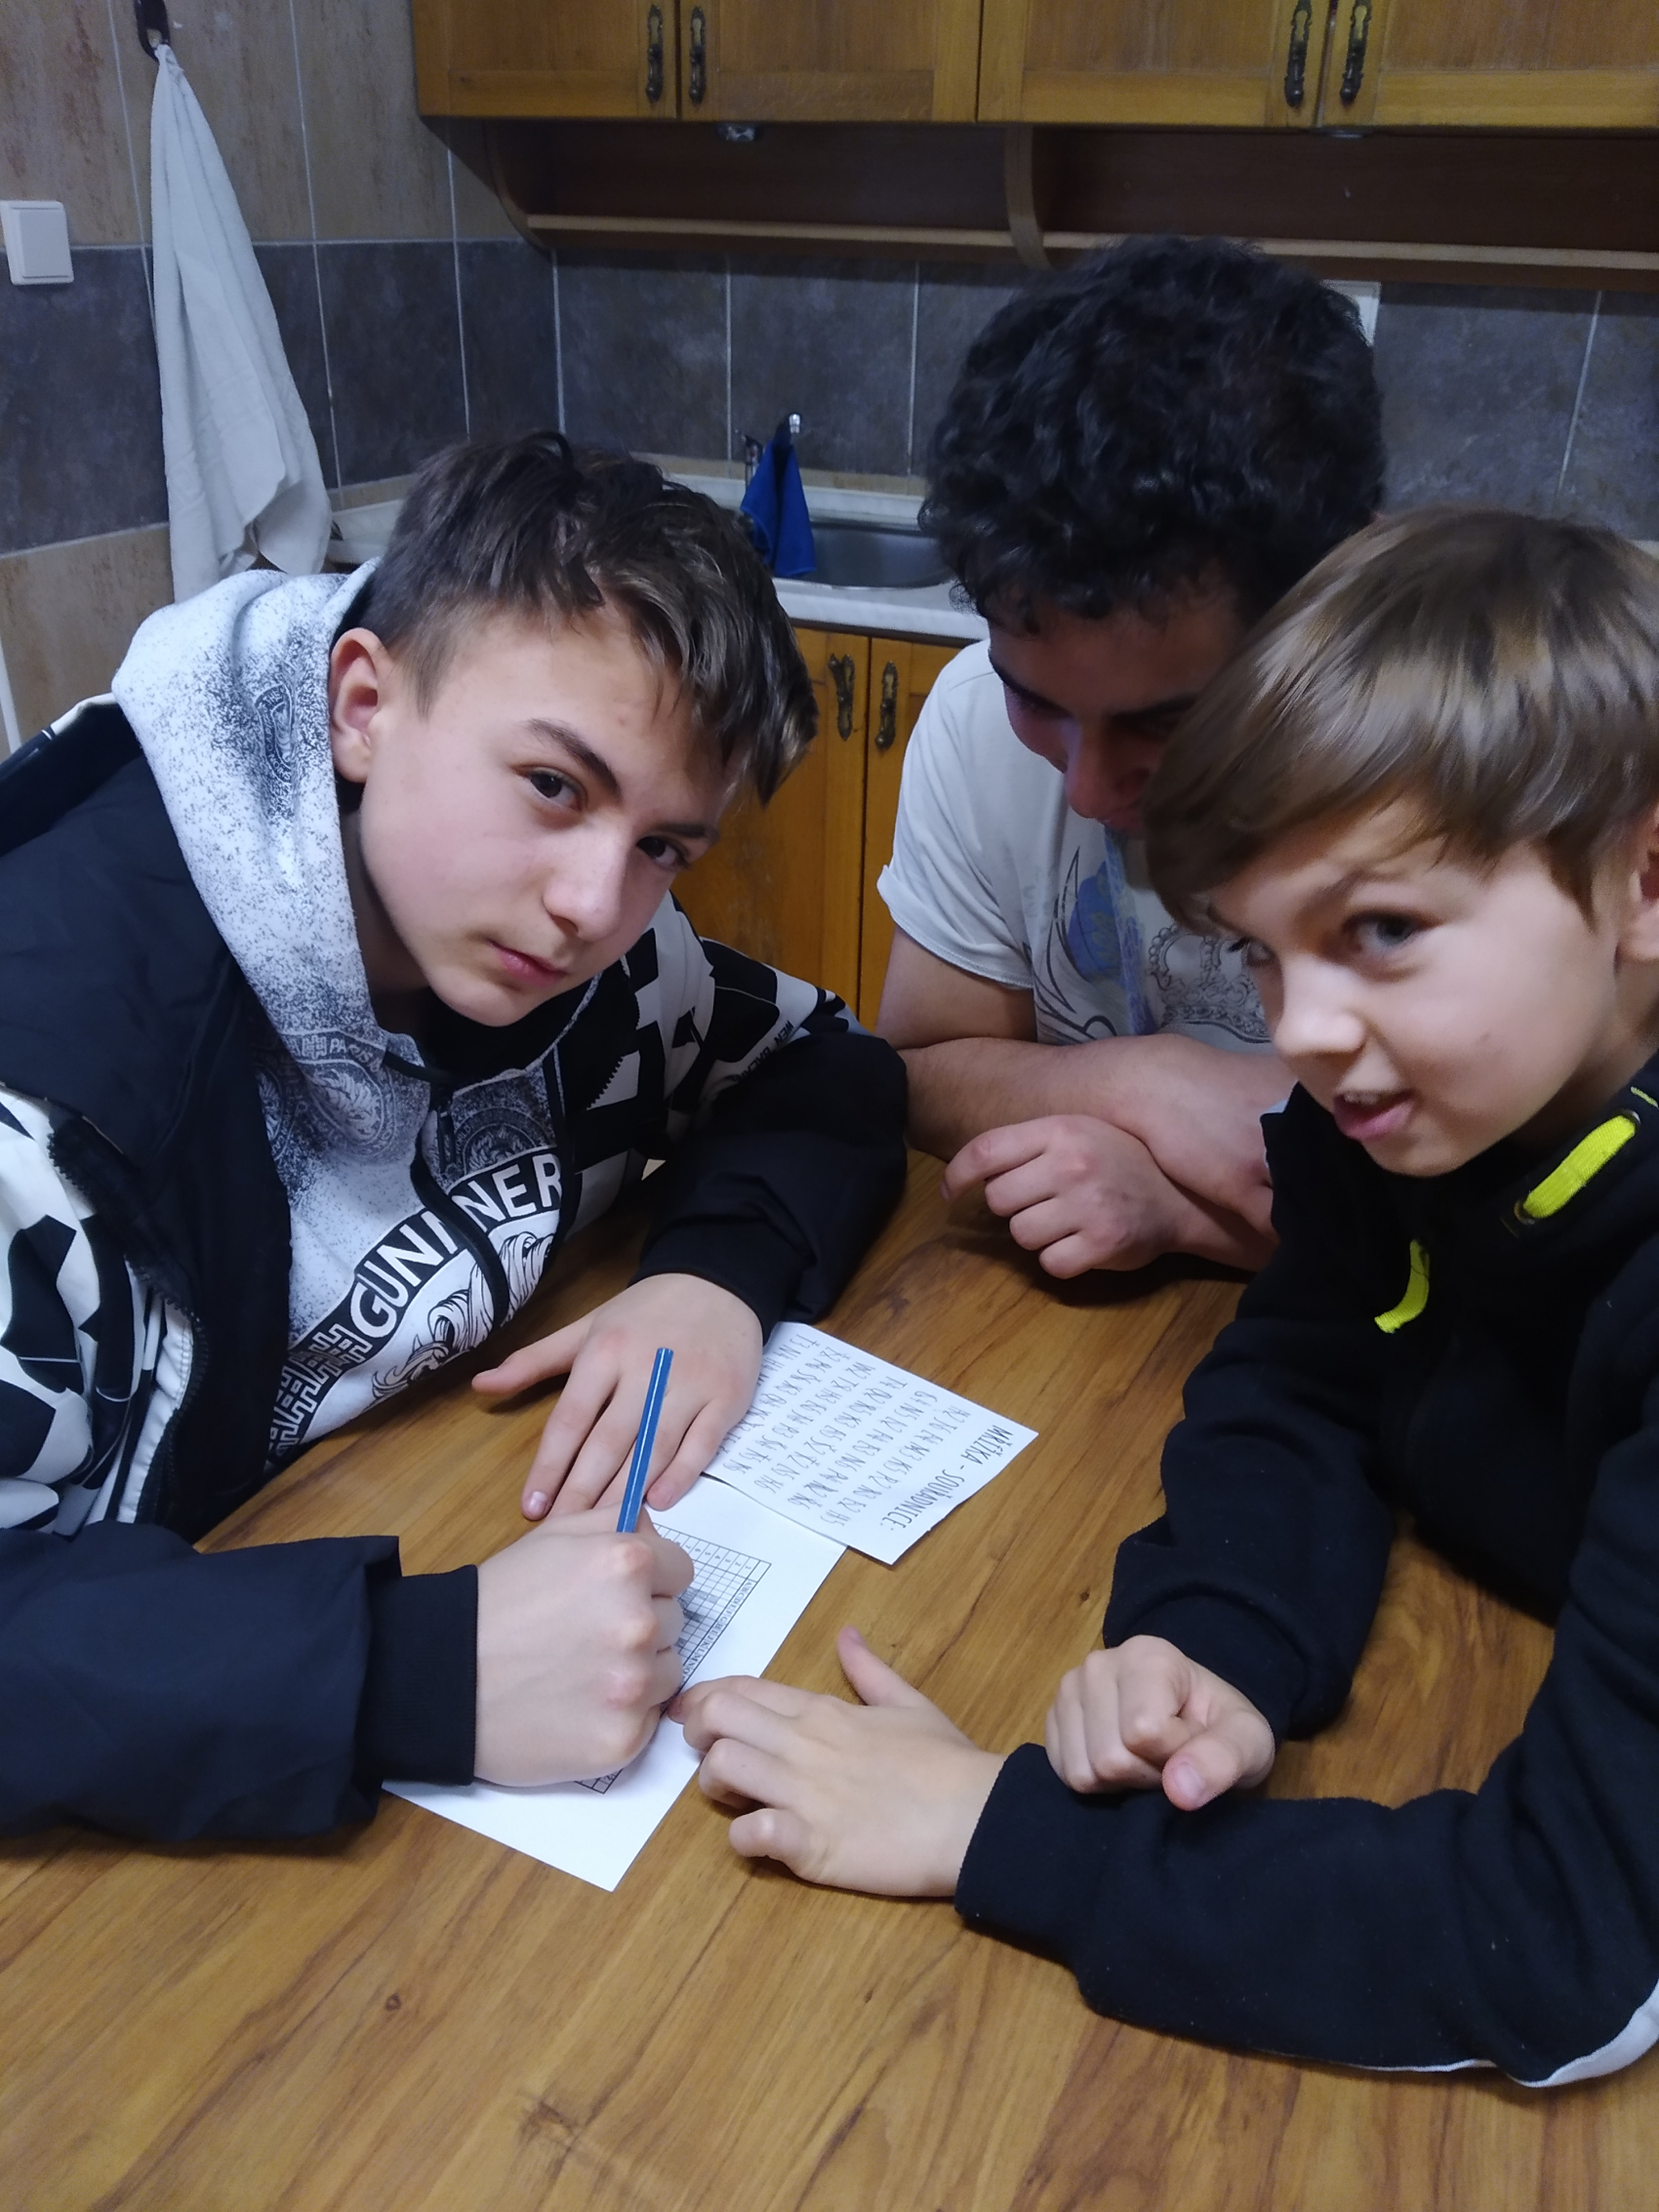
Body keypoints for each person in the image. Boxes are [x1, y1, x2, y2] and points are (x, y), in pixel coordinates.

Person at [681, 508, 1659, 2086]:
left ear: (1644, 881)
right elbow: (1303, 1374)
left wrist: (990, 1825)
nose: (1305, 1031)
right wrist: (1216, 1645)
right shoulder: (1410, 1108)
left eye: (1382, 931)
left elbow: (1560, 1948)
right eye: (1264, 953)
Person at [0, 433, 906, 1841]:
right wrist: (423, 1670)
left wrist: (713, 1277)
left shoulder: (593, 957)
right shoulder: (50, 1099)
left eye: (664, 845)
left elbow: (826, 1064)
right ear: (363, 705)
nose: (594, 905)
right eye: (552, 784)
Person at [880, 236, 1384, 1275]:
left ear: (1325, 618)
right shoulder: (972, 716)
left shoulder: (1452, 768)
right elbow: (914, 1068)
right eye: (1036, 699)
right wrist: (1140, 1082)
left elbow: (1512, 1230)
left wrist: (1187, 1217)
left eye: (1164, 722)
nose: (1086, 787)